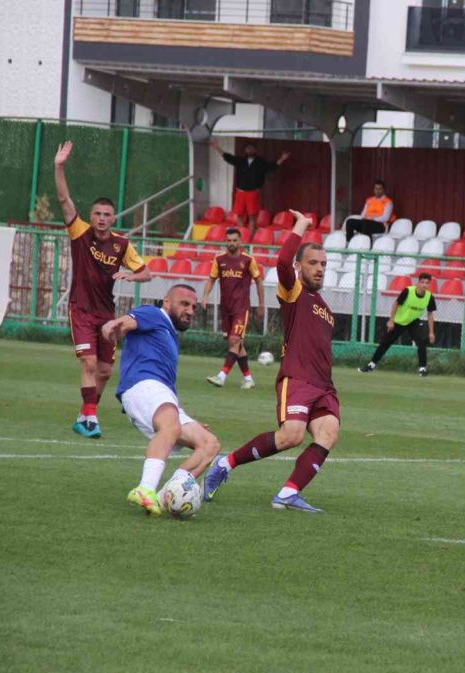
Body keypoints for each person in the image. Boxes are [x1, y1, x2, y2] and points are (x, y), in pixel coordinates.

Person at [203, 209, 339, 512]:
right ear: (299, 266)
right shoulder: (294, 291)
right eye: (313, 263)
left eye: (324, 264)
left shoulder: (327, 310)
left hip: (324, 386)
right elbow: (279, 262)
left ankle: (288, 494)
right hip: (299, 379)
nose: (319, 269)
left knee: (328, 434)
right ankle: (225, 464)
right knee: (291, 436)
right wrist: (301, 225)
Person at [54, 141, 152, 439]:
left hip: (106, 313)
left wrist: (130, 276)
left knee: (106, 371)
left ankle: (85, 414)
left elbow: (147, 273)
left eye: (106, 214)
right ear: (91, 215)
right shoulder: (80, 233)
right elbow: (64, 199)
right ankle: (91, 420)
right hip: (81, 308)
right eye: (97, 213)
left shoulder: (122, 245)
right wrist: (59, 166)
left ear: (113, 218)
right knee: (89, 362)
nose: (101, 218)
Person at [102, 284, 221, 516]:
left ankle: (166, 493)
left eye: (194, 307)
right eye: (184, 304)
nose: (190, 310)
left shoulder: (169, 335)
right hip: (142, 385)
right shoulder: (154, 314)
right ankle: (145, 489)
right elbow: (125, 322)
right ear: (167, 302)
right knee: (170, 426)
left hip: (160, 394)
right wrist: (113, 327)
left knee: (209, 444)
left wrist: (179, 413)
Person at [202, 227, 264, 390]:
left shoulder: (248, 260)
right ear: (225, 241)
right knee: (236, 344)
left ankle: (221, 376)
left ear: (240, 241)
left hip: (241, 308)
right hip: (226, 308)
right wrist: (205, 296)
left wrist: (261, 305)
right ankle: (249, 379)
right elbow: (211, 279)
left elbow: (258, 282)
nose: (232, 243)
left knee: (234, 341)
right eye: (229, 240)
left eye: (234, 240)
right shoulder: (219, 260)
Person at [358, 272, 437, 377]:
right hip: (399, 321)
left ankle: (422, 369)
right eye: (422, 282)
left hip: (413, 321)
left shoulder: (429, 296)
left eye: (427, 283)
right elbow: (396, 304)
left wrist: (431, 332)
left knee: (422, 342)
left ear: (429, 284)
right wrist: (391, 320)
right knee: (385, 343)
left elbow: (430, 314)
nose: (424, 285)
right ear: (418, 283)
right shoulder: (408, 291)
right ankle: (371, 365)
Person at [210, 140, 290, 232]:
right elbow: (228, 157)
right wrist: (217, 148)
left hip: (253, 193)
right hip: (240, 192)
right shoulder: (240, 161)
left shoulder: (260, 162)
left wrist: (282, 159)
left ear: (255, 150)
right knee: (239, 215)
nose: (250, 150)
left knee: (252, 216)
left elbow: (272, 166)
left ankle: (250, 239)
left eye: (252, 148)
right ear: (245, 150)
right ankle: (240, 235)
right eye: (248, 148)